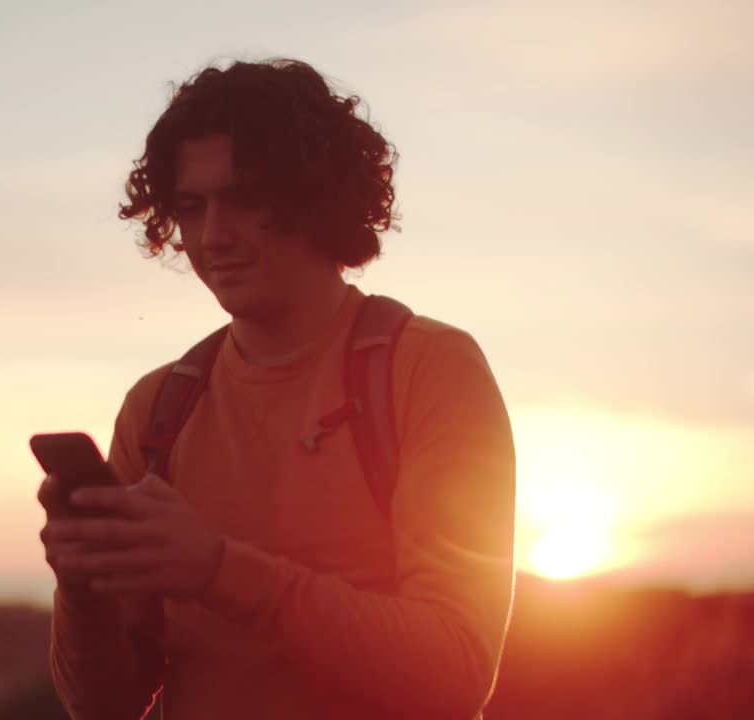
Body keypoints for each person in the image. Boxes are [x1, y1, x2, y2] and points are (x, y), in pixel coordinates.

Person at [36, 57, 516, 720]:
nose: (213, 237)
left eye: (244, 200)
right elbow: (106, 707)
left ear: (314, 196)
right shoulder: (158, 412)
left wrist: (214, 569)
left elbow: (455, 670)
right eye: (191, 207)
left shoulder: (428, 368)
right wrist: (82, 589)